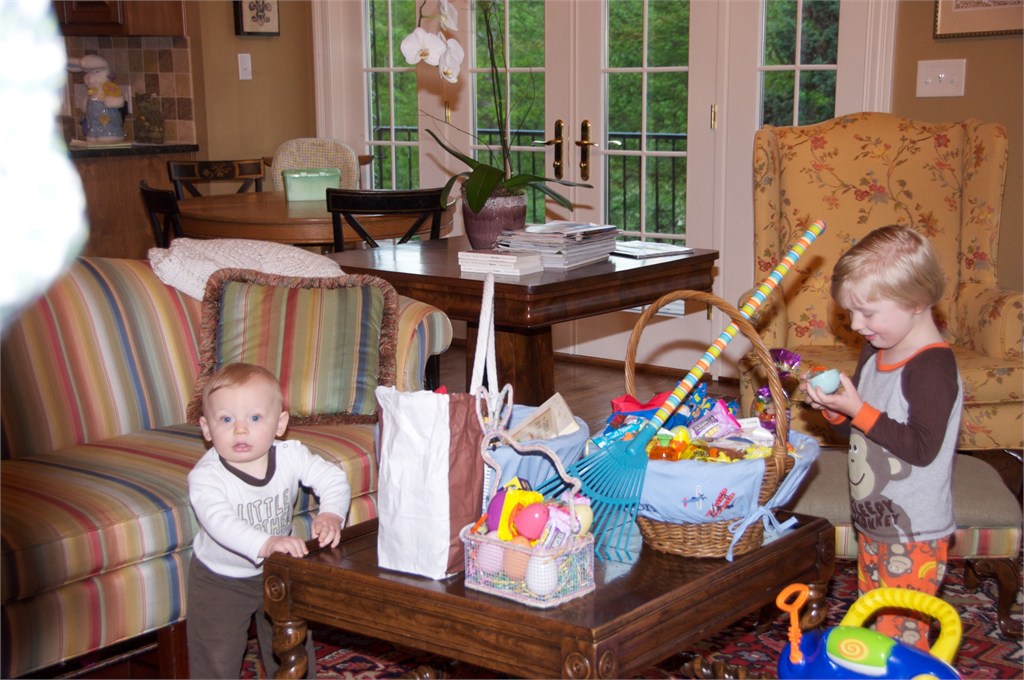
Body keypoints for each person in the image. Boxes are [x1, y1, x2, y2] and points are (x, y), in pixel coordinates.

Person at [800, 225, 962, 652]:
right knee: (876, 620)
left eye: (867, 313)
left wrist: (860, 410)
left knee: (901, 637)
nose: (856, 325)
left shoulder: (931, 369)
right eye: (851, 313)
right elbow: (865, 430)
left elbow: (921, 449)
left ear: (915, 302)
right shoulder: (875, 351)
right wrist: (838, 411)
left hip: (915, 533)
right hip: (875, 521)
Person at [188, 363, 351, 678]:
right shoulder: (206, 477)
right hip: (220, 580)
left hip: (277, 569)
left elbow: (332, 478)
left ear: (280, 423)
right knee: (216, 658)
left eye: (254, 418)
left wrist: (332, 512)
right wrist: (266, 543)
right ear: (207, 429)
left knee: (292, 647)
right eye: (226, 419)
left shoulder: (291, 455)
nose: (240, 430)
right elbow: (219, 522)